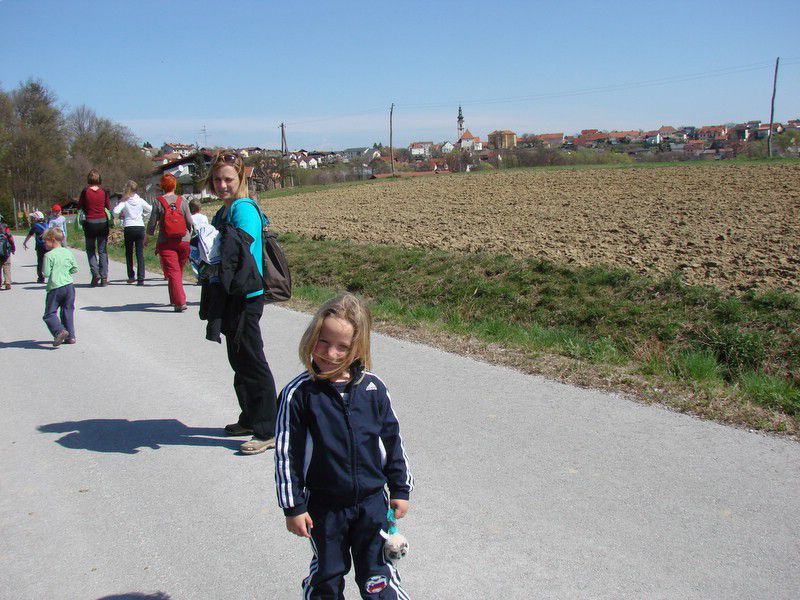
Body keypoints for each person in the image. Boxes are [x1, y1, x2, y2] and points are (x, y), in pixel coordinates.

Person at [275, 293, 413, 599]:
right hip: (324, 508)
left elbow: (392, 442)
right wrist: (293, 506)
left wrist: (400, 489)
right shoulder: (298, 394)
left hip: (373, 505)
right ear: (312, 336)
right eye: (323, 341)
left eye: (343, 347)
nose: (330, 353)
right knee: (328, 571)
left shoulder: (374, 389)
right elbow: (287, 456)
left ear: (358, 348)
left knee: (379, 572)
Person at [204, 150, 277, 455]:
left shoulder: (243, 210)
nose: (222, 184)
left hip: (246, 295)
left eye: (228, 179)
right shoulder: (225, 210)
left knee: (251, 358)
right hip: (231, 293)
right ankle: (249, 417)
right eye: (217, 179)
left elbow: (239, 256)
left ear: (241, 177)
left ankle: (268, 429)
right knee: (238, 358)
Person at [146, 174, 193, 311]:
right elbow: (190, 221)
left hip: (166, 242)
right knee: (178, 271)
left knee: (173, 272)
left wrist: (147, 238)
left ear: (162, 186)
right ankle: (175, 299)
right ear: (174, 185)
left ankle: (179, 302)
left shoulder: (158, 202)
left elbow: (152, 224)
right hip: (184, 241)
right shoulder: (182, 200)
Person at [41, 227, 78, 346]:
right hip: (69, 286)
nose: (44, 243)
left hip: (55, 287)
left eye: (45, 241)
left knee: (49, 313)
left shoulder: (49, 255)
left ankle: (59, 331)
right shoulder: (67, 252)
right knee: (67, 311)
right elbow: (75, 268)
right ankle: (71, 337)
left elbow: (45, 273)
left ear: (52, 240)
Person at [113, 180, 152, 285]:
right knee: (140, 253)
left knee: (129, 253)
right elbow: (151, 209)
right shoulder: (140, 200)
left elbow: (115, 212)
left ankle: (131, 276)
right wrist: (145, 215)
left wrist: (120, 216)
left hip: (129, 227)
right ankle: (141, 278)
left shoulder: (125, 201)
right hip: (140, 227)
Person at [78, 169, 111, 287]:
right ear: (99, 179)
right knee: (102, 250)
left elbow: (79, 206)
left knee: (91, 250)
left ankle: (95, 273)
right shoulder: (104, 192)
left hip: (90, 223)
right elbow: (108, 206)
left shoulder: (85, 191)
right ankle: (104, 277)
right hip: (102, 222)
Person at [23, 211, 48, 283]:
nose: (33, 219)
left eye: (33, 218)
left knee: (40, 261)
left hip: (40, 246)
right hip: (48, 245)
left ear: (37, 218)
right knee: (49, 260)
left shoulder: (35, 225)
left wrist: (25, 242)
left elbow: (30, 234)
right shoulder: (47, 225)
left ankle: (41, 278)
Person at [0, 214, 15, 290]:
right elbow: (10, 238)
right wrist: (13, 247)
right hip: (5, 250)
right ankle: (8, 281)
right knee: (7, 265)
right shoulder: (5, 227)